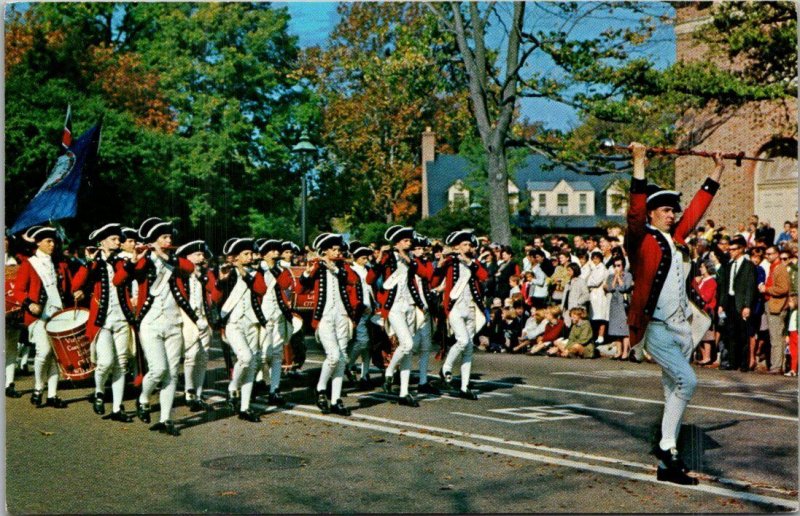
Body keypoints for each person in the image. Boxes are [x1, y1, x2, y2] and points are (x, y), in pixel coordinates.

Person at [626, 141, 725, 486]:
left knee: (673, 389)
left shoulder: (677, 238)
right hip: (656, 328)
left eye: (673, 210)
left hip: (683, 327)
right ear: (652, 213)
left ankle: (668, 458)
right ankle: (668, 448)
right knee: (688, 381)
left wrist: (717, 170)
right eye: (666, 210)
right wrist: (639, 162)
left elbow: (697, 209)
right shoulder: (640, 240)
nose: (672, 214)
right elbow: (634, 213)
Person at [114, 217, 195, 435]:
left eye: (170, 237)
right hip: (150, 322)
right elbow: (118, 280)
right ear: (153, 240)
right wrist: (133, 260)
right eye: (164, 237)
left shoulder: (174, 259)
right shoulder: (142, 260)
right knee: (158, 369)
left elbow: (190, 267)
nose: (169, 240)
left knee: (171, 374)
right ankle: (143, 397)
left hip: (173, 321)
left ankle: (166, 419)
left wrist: (167, 256)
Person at [71, 223, 135, 422]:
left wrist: (132, 262)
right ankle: (99, 392)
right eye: (114, 239)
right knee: (106, 362)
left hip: (122, 318)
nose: (118, 242)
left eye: (119, 239)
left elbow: (120, 280)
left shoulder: (121, 262)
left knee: (121, 364)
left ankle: (117, 408)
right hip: (102, 321)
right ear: (103, 241)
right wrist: (88, 262)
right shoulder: (93, 262)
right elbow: (76, 284)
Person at [298, 233, 359, 416]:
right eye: (333, 249)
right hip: (324, 316)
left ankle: (336, 399)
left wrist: (335, 268)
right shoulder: (317, 266)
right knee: (333, 356)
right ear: (324, 251)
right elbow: (301, 289)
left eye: (339, 249)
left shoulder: (344, 267)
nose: (337, 252)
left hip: (342, 316)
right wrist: (309, 270)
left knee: (342, 358)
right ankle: (321, 389)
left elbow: (353, 281)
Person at [12, 226, 72, 408]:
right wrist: (30, 303)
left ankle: (52, 395)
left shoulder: (59, 264)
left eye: (54, 241)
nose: (52, 245)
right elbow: (18, 291)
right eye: (48, 241)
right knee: (43, 352)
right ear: (38, 242)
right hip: (38, 316)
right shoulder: (29, 264)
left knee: (55, 356)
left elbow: (66, 289)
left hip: (58, 315)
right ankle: (38, 388)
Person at [211, 237, 267, 422]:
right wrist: (221, 281)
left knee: (251, 365)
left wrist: (246, 272)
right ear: (236, 257)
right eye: (246, 254)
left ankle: (245, 407)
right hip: (233, 323)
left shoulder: (256, 273)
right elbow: (216, 297)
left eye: (251, 253)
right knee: (246, 358)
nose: (251, 257)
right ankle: (233, 387)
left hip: (252, 322)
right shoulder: (227, 272)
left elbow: (261, 290)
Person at [432, 230, 489, 399]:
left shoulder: (474, 262)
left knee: (469, 347)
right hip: (455, 307)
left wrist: (469, 261)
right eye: (465, 245)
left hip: (472, 307)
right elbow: (434, 281)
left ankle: (464, 387)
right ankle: (446, 367)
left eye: (470, 245)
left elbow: (484, 276)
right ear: (456, 247)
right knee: (463, 340)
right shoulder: (449, 262)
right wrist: (442, 260)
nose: (468, 247)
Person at [372, 226, 422, 407]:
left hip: (410, 305)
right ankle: (389, 372)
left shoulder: (412, 259)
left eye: (410, 241)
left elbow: (426, 274)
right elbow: (371, 279)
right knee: (407, 343)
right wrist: (379, 258)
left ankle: (404, 392)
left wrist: (409, 260)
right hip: (393, 307)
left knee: (407, 350)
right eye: (406, 241)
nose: (409, 243)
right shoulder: (387, 258)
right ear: (397, 243)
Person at [256, 238, 298, 406]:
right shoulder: (257, 270)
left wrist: (275, 270)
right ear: (264, 254)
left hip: (279, 315)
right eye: (272, 251)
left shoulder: (281, 270)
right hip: (261, 317)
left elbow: (287, 285)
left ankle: (274, 389)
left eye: (277, 250)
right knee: (263, 354)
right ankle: (260, 380)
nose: (276, 253)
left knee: (276, 354)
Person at [175, 240, 215, 411]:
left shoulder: (205, 274)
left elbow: (213, 291)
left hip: (204, 317)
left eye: (202, 255)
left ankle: (198, 394)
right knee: (191, 354)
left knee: (203, 356)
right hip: (187, 318)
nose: (201, 258)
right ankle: (189, 393)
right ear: (187, 257)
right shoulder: (180, 274)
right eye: (197, 255)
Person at [716, 235, 757, 372]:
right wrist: (722, 303)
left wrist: (747, 306)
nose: (731, 252)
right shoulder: (729, 266)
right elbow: (724, 286)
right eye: (730, 249)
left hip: (741, 303)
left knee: (743, 334)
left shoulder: (748, 266)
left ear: (741, 250)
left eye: (733, 249)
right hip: (730, 302)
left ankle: (744, 363)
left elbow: (750, 288)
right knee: (731, 333)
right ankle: (733, 362)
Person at [346, 241, 377, 390]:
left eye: (367, 257)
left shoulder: (368, 270)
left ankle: (365, 375)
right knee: (362, 341)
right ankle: (349, 364)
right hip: (358, 312)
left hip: (371, 310)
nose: (366, 260)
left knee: (369, 346)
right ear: (356, 258)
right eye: (363, 258)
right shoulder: (350, 270)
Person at [760, 246, 790, 374]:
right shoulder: (773, 267)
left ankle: (776, 366)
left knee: (776, 337)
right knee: (775, 337)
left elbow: (783, 288)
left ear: (777, 254)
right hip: (771, 304)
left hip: (777, 306)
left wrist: (766, 289)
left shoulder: (780, 268)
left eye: (770, 254)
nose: (767, 256)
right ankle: (776, 365)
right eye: (766, 254)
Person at [605, 256, 634, 360]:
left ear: (623, 266)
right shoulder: (610, 276)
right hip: (614, 303)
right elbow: (610, 288)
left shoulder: (628, 275)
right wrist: (615, 278)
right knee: (615, 328)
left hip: (624, 303)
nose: (617, 268)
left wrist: (619, 278)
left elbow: (624, 288)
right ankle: (618, 351)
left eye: (619, 265)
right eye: (615, 266)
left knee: (624, 329)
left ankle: (625, 352)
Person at [691, 260, 717, 366]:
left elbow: (706, 297)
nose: (700, 269)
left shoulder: (711, 282)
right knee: (699, 335)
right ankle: (703, 355)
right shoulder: (702, 280)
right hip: (699, 310)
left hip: (706, 310)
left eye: (702, 267)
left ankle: (707, 356)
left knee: (706, 336)